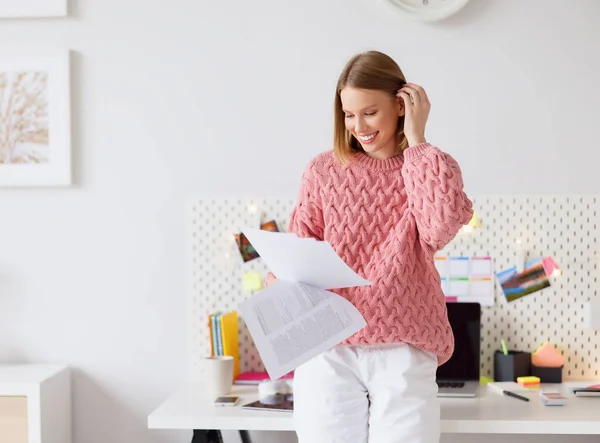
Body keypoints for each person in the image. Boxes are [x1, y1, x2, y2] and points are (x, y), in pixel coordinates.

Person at [268, 50, 474, 443]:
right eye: (349, 114)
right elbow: (300, 247)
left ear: (401, 104)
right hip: (328, 345)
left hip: (404, 345)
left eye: (369, 112)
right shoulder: (323, 170)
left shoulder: (431, 164)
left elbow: (439, 227)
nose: (358, 126)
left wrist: (417, 141)